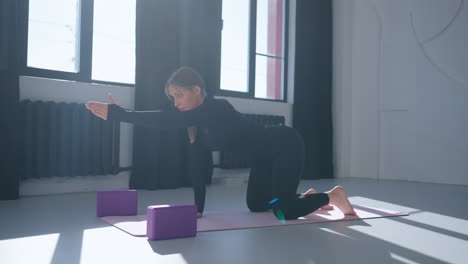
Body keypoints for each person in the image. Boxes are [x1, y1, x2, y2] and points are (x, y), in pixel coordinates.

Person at [86, 67, 356, 220]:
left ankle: (333, 195)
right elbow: (197, 166)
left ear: (197, 91)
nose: (176, 102)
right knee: (258, 205)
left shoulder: (217, 107)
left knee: (283, 212)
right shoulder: (193, 126)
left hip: (284, 144)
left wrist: (119, 114)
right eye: (173, 97)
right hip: (265, 158)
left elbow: (163, 121)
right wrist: (199, 208)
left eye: (180, 95)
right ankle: (305, 198)